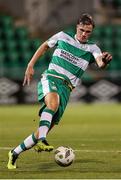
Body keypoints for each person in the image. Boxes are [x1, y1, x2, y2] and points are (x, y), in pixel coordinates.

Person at [7, 13, 112, 169]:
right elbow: (44, 46)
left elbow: (100, 64)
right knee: (52, 104)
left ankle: (14, 153)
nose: (84, 34)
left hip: (67, 89)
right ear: (77, 27)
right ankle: (42, 140)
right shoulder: (63, 36)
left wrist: (104, 61)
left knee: (44, 128)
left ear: (91, 32)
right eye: (82, 30)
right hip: (51, 78)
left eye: (88, 32)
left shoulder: (92, 48)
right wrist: (30, 65)